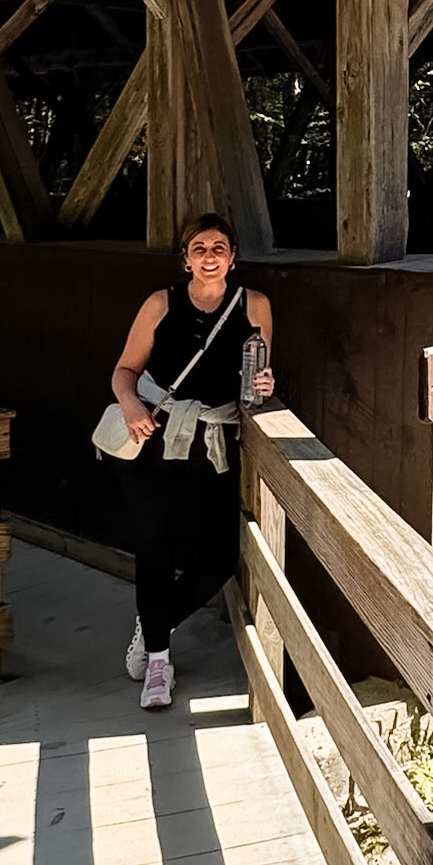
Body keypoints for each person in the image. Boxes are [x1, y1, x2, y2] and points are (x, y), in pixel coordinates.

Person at [109, 213, 274, 710]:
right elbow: (124, 371)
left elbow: (259, 376)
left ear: (232, 256)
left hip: (216, 443)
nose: (209, 256)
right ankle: (158, 665)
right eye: (199, 247)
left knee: (221, 557)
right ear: (185, 257)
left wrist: (265, 387)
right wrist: (132, 405)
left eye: (218, 247)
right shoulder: (161, 303)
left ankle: (155, 621)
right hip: (155, 439)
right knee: (155, 549)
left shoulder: (256, 305)